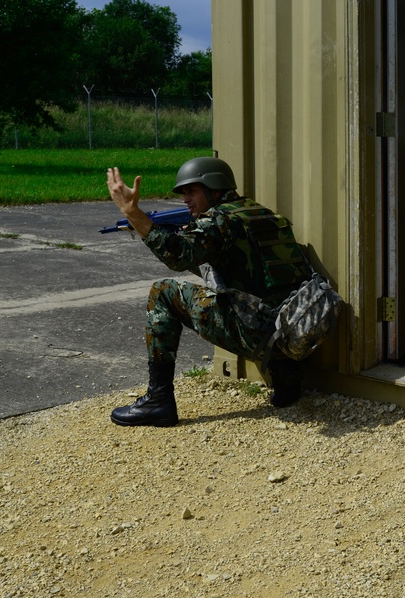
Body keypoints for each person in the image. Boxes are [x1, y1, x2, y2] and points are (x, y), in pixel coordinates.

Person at [106, 156, 309, 426]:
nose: (186, 200)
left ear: (214, 189)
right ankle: (285, 376)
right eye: (184, 194)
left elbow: (178, 256)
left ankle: (159, 400)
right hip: (297, 328)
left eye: (192, 191)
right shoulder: (259, 213)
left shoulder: (221, 221)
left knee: (163, 291)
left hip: (258, 332)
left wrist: (133, 213)